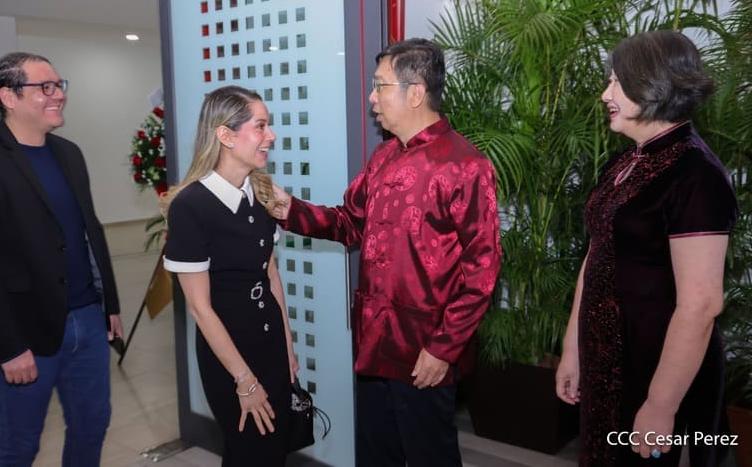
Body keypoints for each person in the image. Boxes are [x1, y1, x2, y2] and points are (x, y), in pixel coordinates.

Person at [271, 38, 502, 466]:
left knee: (430, 456)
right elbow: (349, 222)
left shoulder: (465, 165)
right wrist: (291, 210)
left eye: (380, 86)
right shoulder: (383, 156)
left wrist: (443, 348)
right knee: (376, 454)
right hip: (373, 341)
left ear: (415, 93)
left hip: (424, 349)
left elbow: (483, 270)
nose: (372, 98)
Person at [555, 30, 738, 466]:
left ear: (652, 84)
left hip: (658, 369)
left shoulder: (696, 175)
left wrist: (660, 405)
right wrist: (573, 349)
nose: (606, 94)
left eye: (617, 82)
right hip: (608, 359)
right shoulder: (628, 160)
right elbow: (597, 254)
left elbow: (701, 304)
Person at [0, 52, 124, 466]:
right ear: (9, 96)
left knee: (93, 425)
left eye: (59, 85)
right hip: (24, 330)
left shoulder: (69, 153)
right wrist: (8, 346)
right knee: (20, 443)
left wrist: (109, 303)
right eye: (46, 87)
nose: (58, 95)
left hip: (88, 320)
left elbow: (89, 232)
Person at [161, 85, 298, 467]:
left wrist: (287, 346)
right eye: (260, 126)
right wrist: (244, 380)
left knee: (269, 453)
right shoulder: (191, 206)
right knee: (253, 451)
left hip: (270, 345)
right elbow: (199, 308)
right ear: (225, 135)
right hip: (230, 358)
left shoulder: (263, 193)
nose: (271, 136)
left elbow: (270, 275)